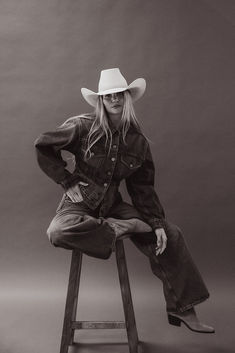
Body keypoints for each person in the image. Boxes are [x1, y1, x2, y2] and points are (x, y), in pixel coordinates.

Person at [34, 68, 214, 333]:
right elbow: (43, 145)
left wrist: (156, 221)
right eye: (108, 96)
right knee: (58, 231)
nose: (115, 100)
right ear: (101, 101)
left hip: (113, 206)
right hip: (80, 202)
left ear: (127, 97)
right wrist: (67, 180)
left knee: (170, 233)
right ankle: (123, 227)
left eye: (119, 94)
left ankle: (183, 308)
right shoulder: (82, 126)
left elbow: (142, 187)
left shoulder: (137, 141)